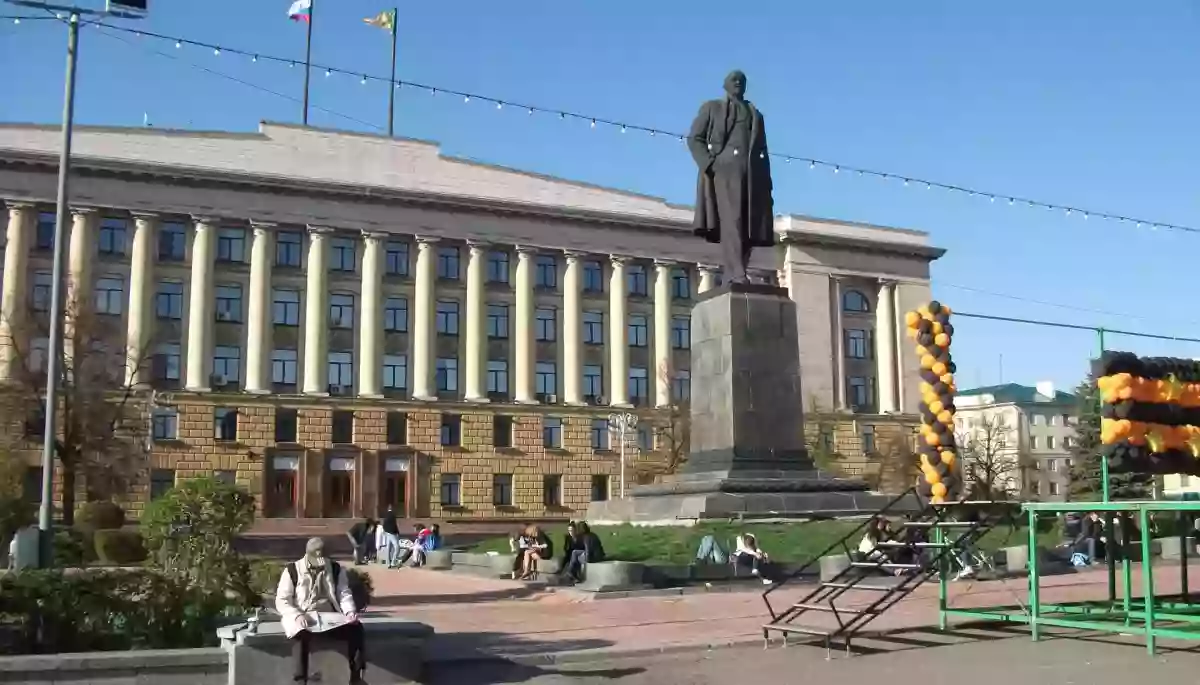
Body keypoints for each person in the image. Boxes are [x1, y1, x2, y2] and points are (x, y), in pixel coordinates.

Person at [275, 537, 365, 685]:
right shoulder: (292, 570)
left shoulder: (336, 569)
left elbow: (344, 593)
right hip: (304, 616)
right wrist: (296, 615)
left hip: (329, 618)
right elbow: (282, 600)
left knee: (356, 629)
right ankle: (300, 680)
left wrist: (349, 612)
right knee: (299, 634)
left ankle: (356, 676)